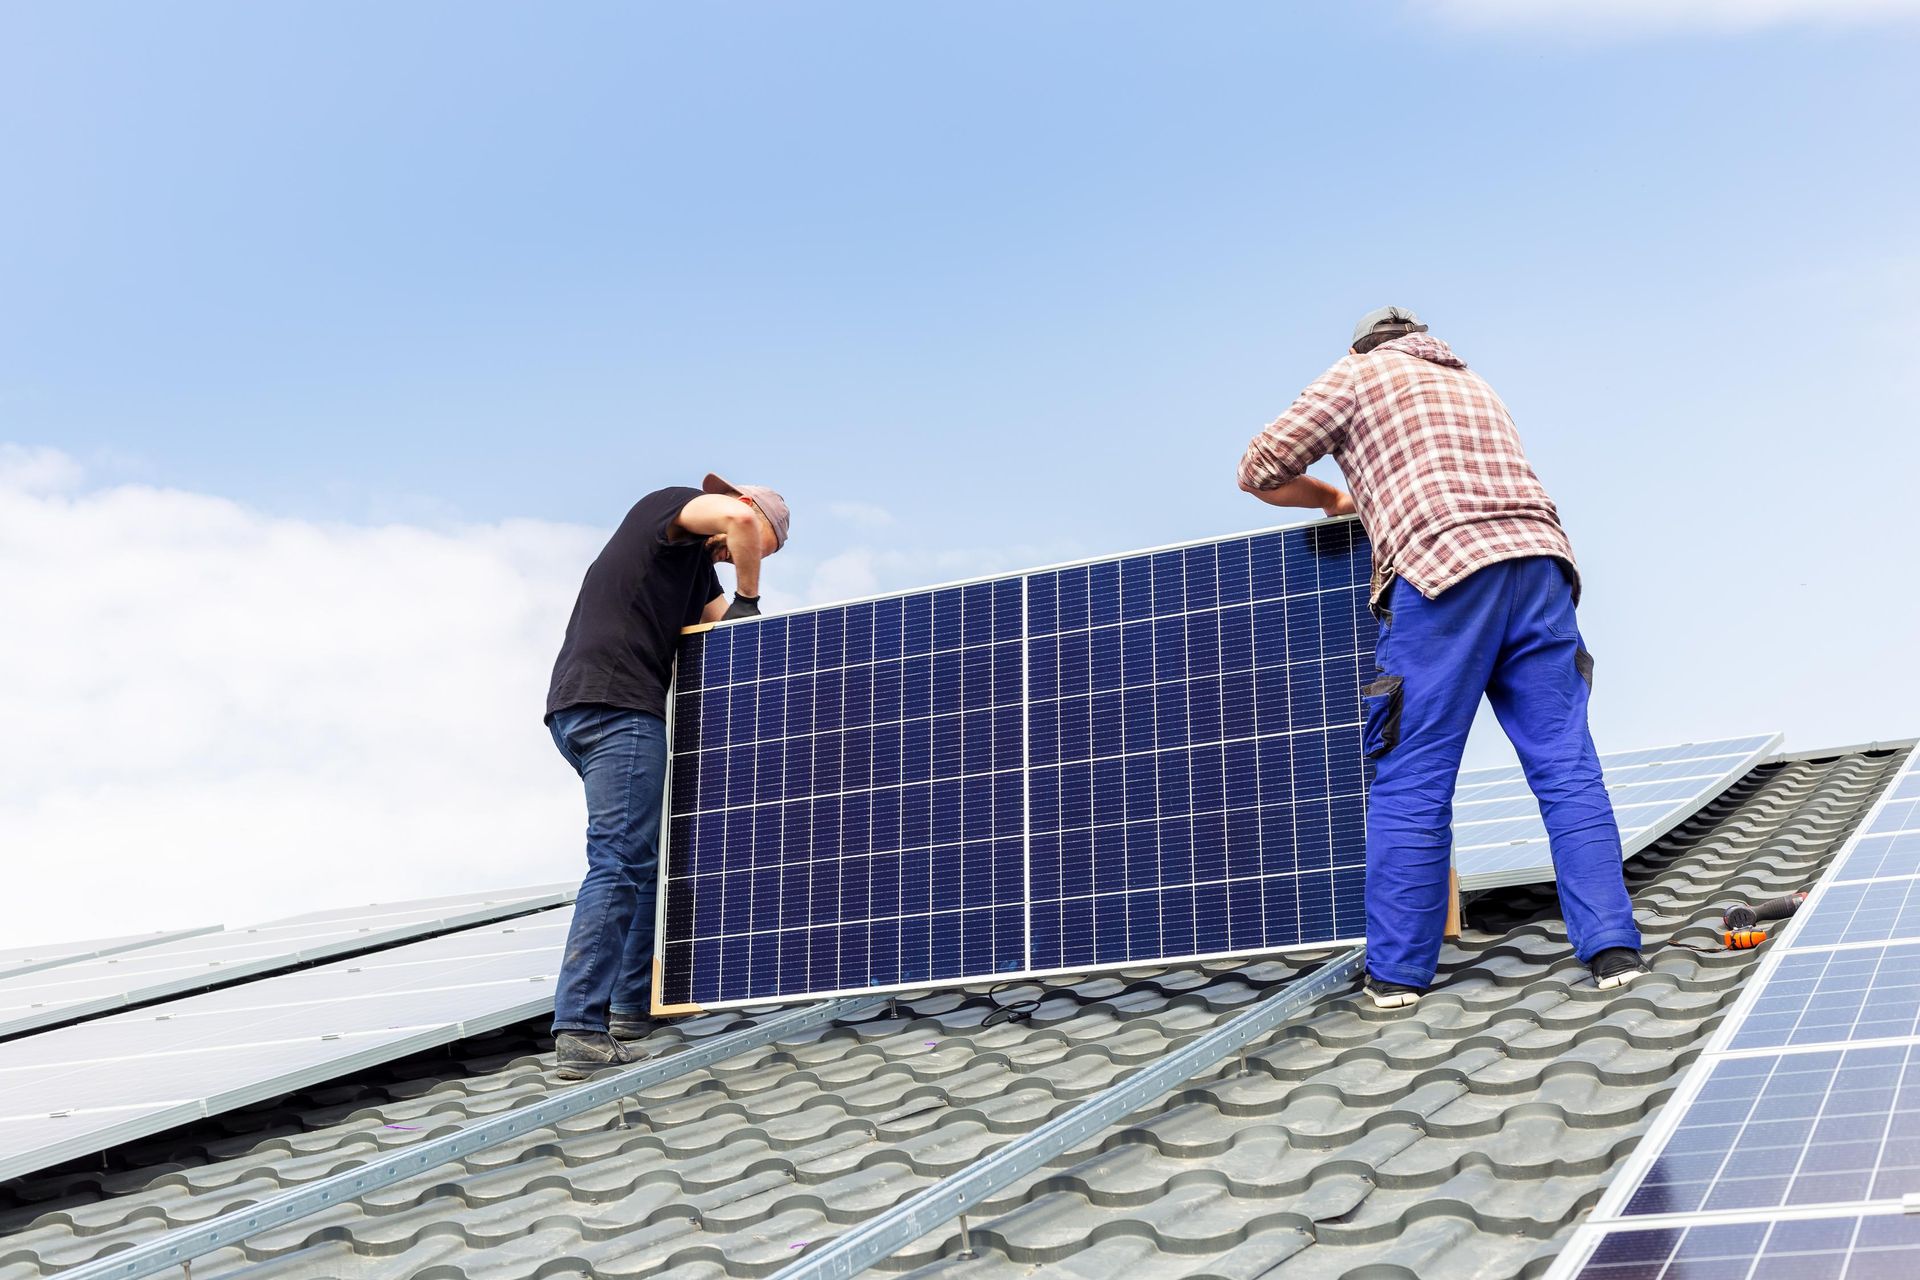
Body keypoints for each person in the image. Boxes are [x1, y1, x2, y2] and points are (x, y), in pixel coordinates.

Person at [1235, 306, 1646, 1010]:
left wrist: (1336, 496)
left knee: (1412, 774)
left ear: (1362, 345)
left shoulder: (1357, 374)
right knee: (1566, 763)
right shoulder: (1474, 382)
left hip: (1442, 571)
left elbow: (1260, 468)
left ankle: (1397, 973)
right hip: (1542, 567)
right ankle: (1612, 949)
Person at [543, 473, 789, 1076]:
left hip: (585, 708)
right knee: (620, 860)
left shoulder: (691, 572)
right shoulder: (674, 507)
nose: (739, 558)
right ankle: (579, 1025)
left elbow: (720, 630)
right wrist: (750, 596)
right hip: (619, 708)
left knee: (643, 859)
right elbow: (744, 528)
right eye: (744, 555)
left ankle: (629, 1009)